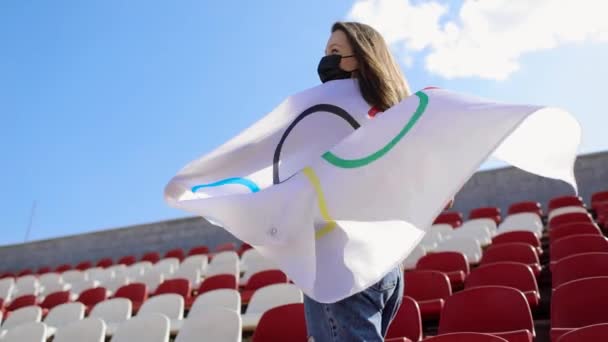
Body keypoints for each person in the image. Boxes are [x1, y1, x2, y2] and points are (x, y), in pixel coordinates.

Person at [303, 21, 411, 342]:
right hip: (384, 266)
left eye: (335, 52)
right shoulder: (391, 117)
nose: (326, 61)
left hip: (342, 262)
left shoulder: (335, 116)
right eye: (325, 53)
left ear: (361, 59)